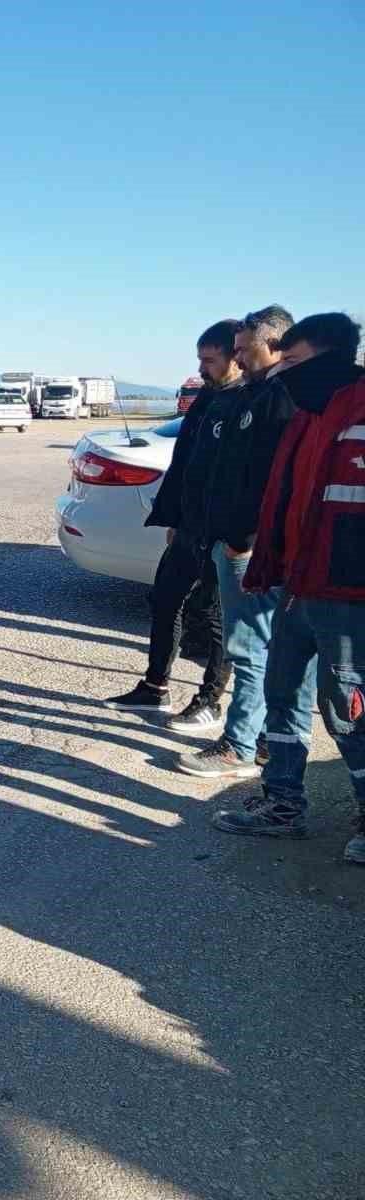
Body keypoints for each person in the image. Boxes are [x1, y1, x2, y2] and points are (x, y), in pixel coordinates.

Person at [214, 312, 365, 864]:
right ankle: (282, 804)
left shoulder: (357, 413)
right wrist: (268, 563)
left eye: (295, 362)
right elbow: (285, 497)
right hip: (300, 585)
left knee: (347, 705)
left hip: (347, 596)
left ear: (330, 359)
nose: (285, 373)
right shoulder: (308, 417)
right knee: (283, 693)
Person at [179, 306, 300, 777]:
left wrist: (243, 539)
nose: (238, 357)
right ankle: (265, 739)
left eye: (244, 349)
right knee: (260, 649)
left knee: (250, 650)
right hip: (234, 542)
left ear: (272, 345)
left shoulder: (281, 398)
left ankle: (240, 745)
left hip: (249, 549)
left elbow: (275, 479)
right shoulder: (250, 395)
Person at [103, 321, 242, 729]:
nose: (201, 368)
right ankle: (155, 687)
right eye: (199, 359)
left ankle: (210, 700)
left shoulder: (246, 403)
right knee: (164, 601)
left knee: (215, 615)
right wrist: (175, 519)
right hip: (188, 527)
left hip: (221, 532)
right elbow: (185, 465)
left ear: (235, 356)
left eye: (209, 360)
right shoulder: (208, 399)